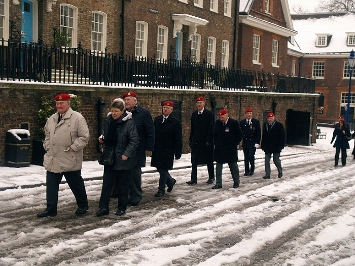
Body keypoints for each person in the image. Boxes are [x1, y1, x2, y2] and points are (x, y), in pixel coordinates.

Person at [37, 93, 90, 218]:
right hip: (53, 157)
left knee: (75, 184)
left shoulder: (77, 118)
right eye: (57, 103)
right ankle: (51, 209)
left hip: (69, 157)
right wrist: (47, 146)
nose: (59, 105)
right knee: (51, 185)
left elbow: (84, 136)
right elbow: (47, 134)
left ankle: (83, 205)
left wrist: (73, 147)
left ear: (68, 104)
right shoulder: (52, 119)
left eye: (62, 103)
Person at [96, 98, 139, 217]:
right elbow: (106, 133)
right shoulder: (109, 120)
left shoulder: (129, 123)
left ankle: (122, 207)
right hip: (110, 157)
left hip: (123, 159)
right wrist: (103, 141)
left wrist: (127, 153)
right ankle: (103, 207)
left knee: (122, 185)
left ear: (123, 111)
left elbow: (134, 140)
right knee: (107, 184)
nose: (114, 113)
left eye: (116, 111)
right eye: (112, 110)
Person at [110, 91, 154, 206]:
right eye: (125, 99)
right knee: (125, 173)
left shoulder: (143, 113)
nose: (127, 101)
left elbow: (150, 130)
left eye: (129, 99)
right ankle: (126, 194)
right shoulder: (123, 113)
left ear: (135, 101)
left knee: (135, 174)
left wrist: (149, 147)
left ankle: (136, 195)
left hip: (138, 149)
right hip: (124, 149)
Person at [151, 100, 182, 197]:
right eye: (164, 107)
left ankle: (161, 189)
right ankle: (171, 180)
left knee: (163, 169)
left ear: (171, 110)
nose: (165, 109)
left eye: (168, 108)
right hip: (157, 148)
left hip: (168, 150)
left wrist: (178, 152)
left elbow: (178, 138)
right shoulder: (157, 120)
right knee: (159, 167)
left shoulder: (175, 122)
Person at [187, 96, 215, 185]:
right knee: (194, 161)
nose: (199, 104)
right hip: (196, 141)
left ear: (204, 103)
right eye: (198, 103)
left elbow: (211, 128)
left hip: (206, 141)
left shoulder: (209, 114)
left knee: (209, 160)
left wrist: (209, 140)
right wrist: (191, 139)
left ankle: (211, 177)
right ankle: (193, 179)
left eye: (201, 102)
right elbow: (193, 128)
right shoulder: (194, 114)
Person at [212, 109, 242, 189]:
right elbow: (214, 134)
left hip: (230, 149)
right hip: (219, 148)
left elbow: (239, 135)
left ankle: (236, 182)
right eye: (220, 117)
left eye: (222, 117)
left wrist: (234, 143)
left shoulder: (233, 123)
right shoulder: (217, 123)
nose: (221, 118)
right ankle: (218, 183)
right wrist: (216, 143)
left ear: (226, 115)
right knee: (218, 166)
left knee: (233, 166)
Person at [261, 112, 285, 179]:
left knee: (276, 160)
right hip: (268, 146)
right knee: (266, 160)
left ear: (274, 118)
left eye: (271, 118)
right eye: (268, 118)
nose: (269, 119)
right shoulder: (266, 125)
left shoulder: (279, 125)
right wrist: (263, 145)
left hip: (276, 146)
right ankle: (267, 174)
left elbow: (282, 136)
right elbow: (264, 136)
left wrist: (281, 146)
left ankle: (280, 171)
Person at [240, 107, 261, 176]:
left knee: (251, 155)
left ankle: (252, 169)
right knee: (246, 157)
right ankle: (246, 170)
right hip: (245, 142)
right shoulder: (242, 122)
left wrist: (257, 142)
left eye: (250, 113)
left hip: (252, 142)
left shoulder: (256, 122)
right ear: (245, 114)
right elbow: (240, 133)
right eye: (247, 113)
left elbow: (258, 133)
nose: (249, 115)